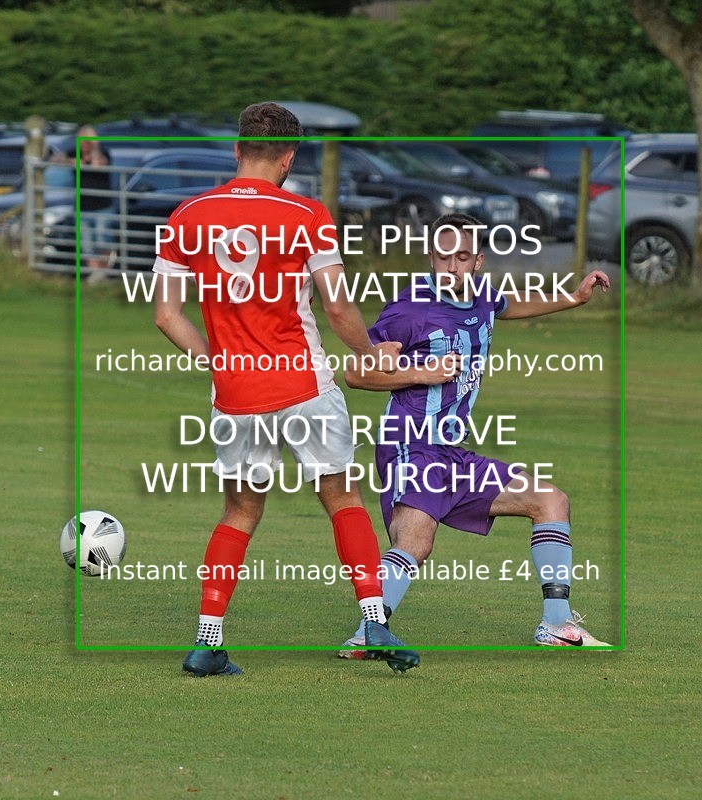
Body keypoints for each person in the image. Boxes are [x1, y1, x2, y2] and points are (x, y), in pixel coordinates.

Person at [153, 102, 418, 676]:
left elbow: (166, 316)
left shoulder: (187, 216)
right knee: (343, 500)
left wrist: (216, 360)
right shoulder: (306, 215)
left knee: (240, 511)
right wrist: (372, 356)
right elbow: (338, 305)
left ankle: (207, 642)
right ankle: (374, 622)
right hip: (303, 384)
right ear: (290, 156)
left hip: (235, 395)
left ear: (237, 149)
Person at [339, 212, 612, 655]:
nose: (451, 266)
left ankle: (557, 625)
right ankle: (366, 633)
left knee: (550, 501)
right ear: (431, 257)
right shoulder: (410, 309)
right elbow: (357, 373)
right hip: (410, 443)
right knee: (414, 541)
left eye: (461, 257)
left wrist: (574, 298)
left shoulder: (482, 295)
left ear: (477, 262)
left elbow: (509, 305)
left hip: (451, 451)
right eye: (443, 257)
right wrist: (422, 373)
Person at [52, 124, 113, 276]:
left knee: (102, 240)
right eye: (82, 141)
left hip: (102, 206)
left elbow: (98, 164)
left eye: (88, 142)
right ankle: (95, 274)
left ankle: (103, 272)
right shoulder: (75, 153)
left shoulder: (103, 152)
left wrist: (94, 146)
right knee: (85, 245)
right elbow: (55, 159)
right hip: (82, 206)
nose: (84, 145)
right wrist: (70, 161)